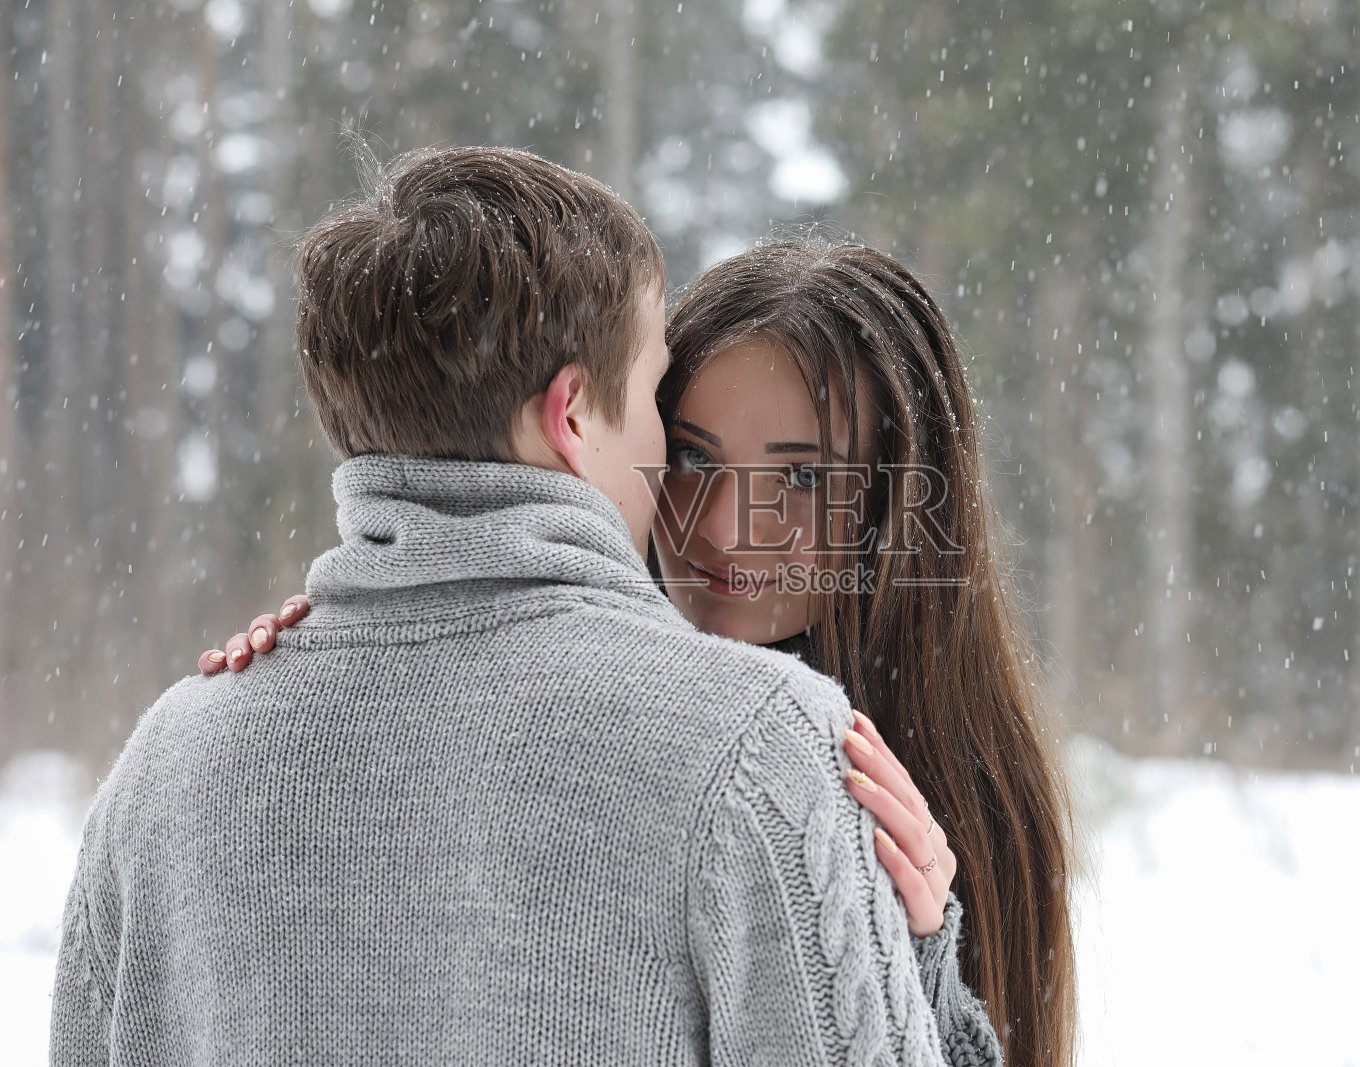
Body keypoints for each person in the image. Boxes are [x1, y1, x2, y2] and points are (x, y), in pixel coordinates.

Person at [52, 146, 998, 1066]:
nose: (720, 518)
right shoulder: (765, 750)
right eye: (673, 425)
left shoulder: (166, 760)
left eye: (799, 477)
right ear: (575, 412)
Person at [213, 237, 1076, 1066]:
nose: (726, 529)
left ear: (896, 506)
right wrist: (359, 643)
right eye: (694, 457)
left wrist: (910, 968)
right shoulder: (567, 701)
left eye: (804, 479)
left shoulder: (968, 788)